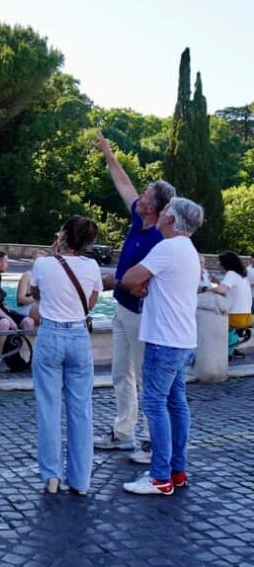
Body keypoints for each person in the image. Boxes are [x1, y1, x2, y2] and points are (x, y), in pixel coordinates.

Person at [92, 131, 176, 465]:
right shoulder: (138, 218)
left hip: (144, 314)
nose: (138, 196)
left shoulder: (160, 237)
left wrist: (125, 283)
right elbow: (123, 183)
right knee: (120, 374)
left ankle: (151, 442)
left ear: (154, 208)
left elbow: (152, 280)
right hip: (124, 309)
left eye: (145, 195)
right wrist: (108, 153)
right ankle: (123, 432)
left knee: (145, 378)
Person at [120, 197, 203, 496]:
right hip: (182, 339)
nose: (162, 212)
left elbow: (129, 277)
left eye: (166, 210)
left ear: (171, 219)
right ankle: (176, 470)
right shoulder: (189, 249)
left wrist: (141, 283)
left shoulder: (167, 248)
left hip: (163, 341)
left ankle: (159, 477)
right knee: (176, 404)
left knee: (155, 404)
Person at [30, 216, 103, 496]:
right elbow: (91, 302)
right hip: (78, 337)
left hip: (50, 335)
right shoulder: (92, 266)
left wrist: (53, 256)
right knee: (81, 410)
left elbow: (35, 294)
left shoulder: (43, 264)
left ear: (62, 236)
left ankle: (51, 476)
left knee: (49, 409)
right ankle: (81, 480)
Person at [208, 251, 253, 354]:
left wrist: (204, 289)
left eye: (219, 262)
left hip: (235, 317)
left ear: (225, 264)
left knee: (207, 321)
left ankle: (224, 352)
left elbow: (221, 290)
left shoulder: (231, 274)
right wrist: (218, 282)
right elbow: (231, 289)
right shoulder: (242, 275)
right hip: (246, 316)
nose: (218, 265)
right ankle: (231, 349)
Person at [15, 251, 45, 326]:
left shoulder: (46, 278)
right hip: (28, 307)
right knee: (42, 309)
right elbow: (20, 299)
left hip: (42, 306)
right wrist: (37, 298)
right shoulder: (28, 275)